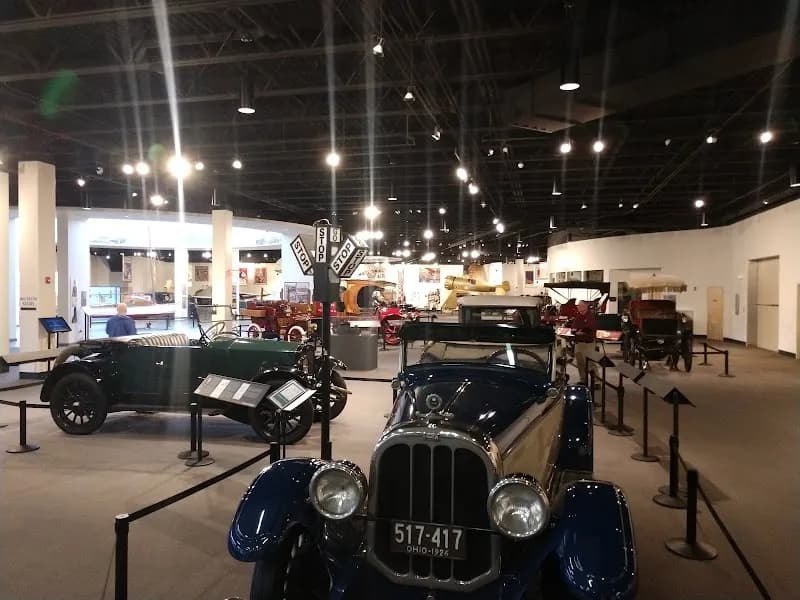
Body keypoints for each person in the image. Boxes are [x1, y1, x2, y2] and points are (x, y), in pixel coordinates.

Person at [571, 301, 598, 385]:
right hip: (578, 343)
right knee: (580, 363)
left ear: (586, 306)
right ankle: (583, 380)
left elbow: (589, 329)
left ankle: (596, 381)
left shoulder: (590, 316)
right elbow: (573, 329)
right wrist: (577, 331)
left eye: (581, 305)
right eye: (578, 306)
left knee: (590, 363)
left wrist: (579, 331)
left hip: (588, 343)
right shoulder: (578, 317)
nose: (579, 307)